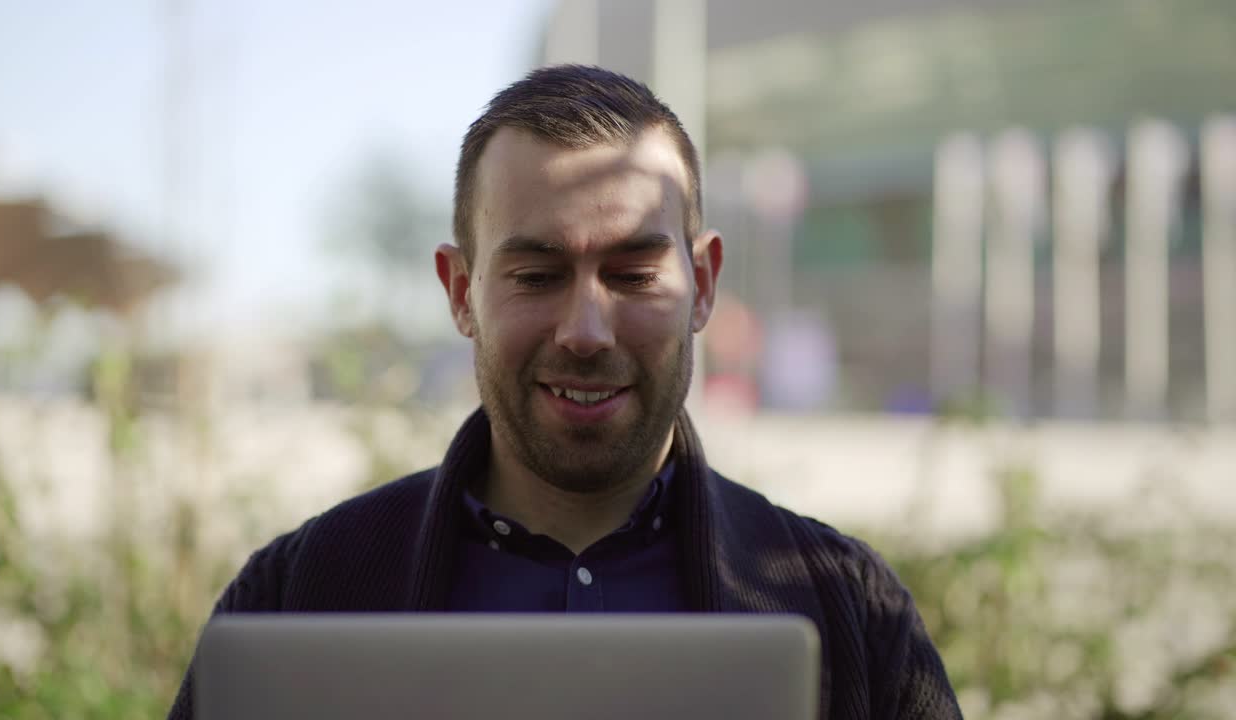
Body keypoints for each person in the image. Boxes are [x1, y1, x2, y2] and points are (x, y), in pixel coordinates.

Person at [168, 64, 962, 720]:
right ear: (459, 292)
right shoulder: (301, 595)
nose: (586, 330)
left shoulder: (849, 612)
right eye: (538, 276)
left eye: (633, 274)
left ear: (705, 283)